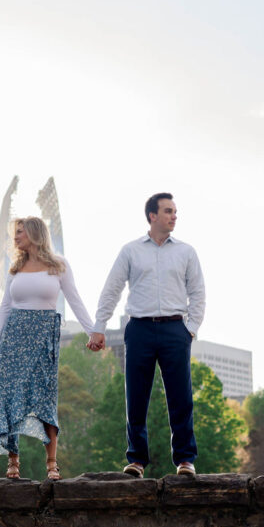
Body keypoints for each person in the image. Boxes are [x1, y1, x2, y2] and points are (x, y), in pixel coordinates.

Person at [88, 193, 205, 478]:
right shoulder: (130, 251)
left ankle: (185, 460)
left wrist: (190, 330)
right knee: (136, 396)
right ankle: (137, 460)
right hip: (139, 328)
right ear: (152, 215)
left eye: (175, 211)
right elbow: (112, 289)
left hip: (175, 329)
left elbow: (198, 293)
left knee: (181, 396)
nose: (174, 216)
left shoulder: (186, 252)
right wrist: (99, 326)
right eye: (168, 211)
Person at [0, 216, 95, 480]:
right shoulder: (15, 269)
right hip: (15, 336)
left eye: (20, 232)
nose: (16, 237)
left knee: (44, 396)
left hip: (44, 336)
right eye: (15, 233)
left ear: (34, 233)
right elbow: (6, 307)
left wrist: (93, 331)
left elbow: (74, 299)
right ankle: (13, 462)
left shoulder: (58, 265)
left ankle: (52, 464)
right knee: (10, 396)